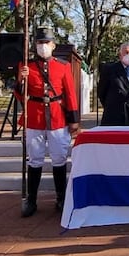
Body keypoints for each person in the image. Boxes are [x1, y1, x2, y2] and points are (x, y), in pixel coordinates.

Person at [16, 26, 80, 217]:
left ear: (53, 45)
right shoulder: (27, 66)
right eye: (39, 43)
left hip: (57, 117)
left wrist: (74, 119)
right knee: (34, 159)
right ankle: (32, 199)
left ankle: (60, 198)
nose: (42, 46)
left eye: (46, 43)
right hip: (35, 118)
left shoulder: (63, 66)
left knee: (59, 158)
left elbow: (69, 93)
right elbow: (20, 95)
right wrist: (21, 79)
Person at [98, 42, 129, 126]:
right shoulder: (109, 70)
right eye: (126, 52)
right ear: (120, 55)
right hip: (113, 118)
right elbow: (102, 93)